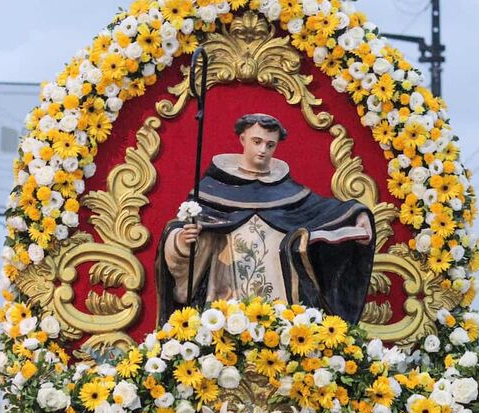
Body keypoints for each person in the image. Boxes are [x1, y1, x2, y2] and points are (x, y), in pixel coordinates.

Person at [156, 114, 375, 323]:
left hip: (280, 300)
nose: (263, 150)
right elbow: (184, 228)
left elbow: (324, 210)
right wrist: (183, 241)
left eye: (270, 145)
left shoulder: (288, 191)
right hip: (226, 296)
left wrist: (358, 213)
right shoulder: (212, 189)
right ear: (243, 139)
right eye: (257, 142)